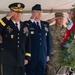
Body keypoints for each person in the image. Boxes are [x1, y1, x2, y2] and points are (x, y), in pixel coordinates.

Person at [0, 2, 31, 75]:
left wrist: (27, 57)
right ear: (12, 13)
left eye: (20, 12)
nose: (18, 14)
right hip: (7, 59)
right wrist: (6, 18)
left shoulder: (25, 26)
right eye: (16, 12)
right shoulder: (5, 25)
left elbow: (28, 42)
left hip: (20, 59)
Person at [24, 4, 52, 75]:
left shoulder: (45, 24)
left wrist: (48, 54)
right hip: (32, 55)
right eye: (37, 12)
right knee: (30, 72)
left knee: (41, 72)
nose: (39, 14)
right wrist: (31, 20)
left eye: (40, 12)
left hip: (42, 55)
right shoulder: (27, 24)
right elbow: (24, 34)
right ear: (32, 13)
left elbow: (48, 40)